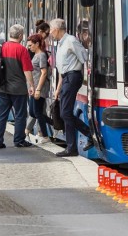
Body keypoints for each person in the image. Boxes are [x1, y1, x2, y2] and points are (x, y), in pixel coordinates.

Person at [49, 18, 93, 157]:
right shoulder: (61, 44)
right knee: (65, 112)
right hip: (66, 77)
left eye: (51, 29)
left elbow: (84, 56)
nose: (50, 32)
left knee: (65, 113)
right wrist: (58, 88)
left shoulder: (71, 41)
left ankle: (85, 137)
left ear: (57, 29)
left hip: (73, 77)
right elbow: (62, 69)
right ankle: (72, 147)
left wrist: (83, 73)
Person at [0, 24, 36, 149]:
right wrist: (31, 85)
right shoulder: (22, 50)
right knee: (20, 115)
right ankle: (19, 140)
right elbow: (27, 70)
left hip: (2, 88)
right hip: (19, 89)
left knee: (1, 116)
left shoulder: (0, 47)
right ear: (21, 36)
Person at [25, 34, 51, 144]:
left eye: (31, 45)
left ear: (37, 44)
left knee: (37, 112)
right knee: (33, 111)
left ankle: (45, 136)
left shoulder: (41, 56)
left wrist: (38, 89)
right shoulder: (35, 55)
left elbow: (44, 73)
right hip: (34, 87)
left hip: (39, 88)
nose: (29, 47)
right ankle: (53, 123)